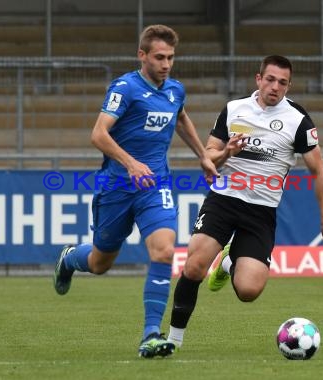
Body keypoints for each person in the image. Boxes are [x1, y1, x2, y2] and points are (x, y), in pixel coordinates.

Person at [53, 24, 217, 358]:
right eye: (159, 57)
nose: (166, 63)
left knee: (164, 251)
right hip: (116, 186)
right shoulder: (125, 88)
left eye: (170, 57)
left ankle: (150, 335)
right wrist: (130, 163)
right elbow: (98, 134)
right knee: (100, 263)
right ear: (142, 56)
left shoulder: (175, 91)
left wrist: (203, 156)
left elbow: (181, 118)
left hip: (155, 185)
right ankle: (70, 259)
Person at [166, 54, 323, 349]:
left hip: (261, 212)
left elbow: (318, 170)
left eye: (282, 82)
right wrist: (227, 154)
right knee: (194, 266)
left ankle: (228, 261)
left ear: (288, 86)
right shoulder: (234, 109)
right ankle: (173, 340)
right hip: (223, 201)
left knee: (248, 291)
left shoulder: (297, 120)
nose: (275, 86)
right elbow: (208, 157)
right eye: (270, 79)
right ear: (258, 79)